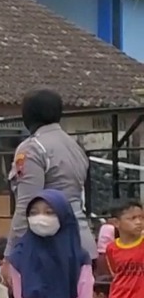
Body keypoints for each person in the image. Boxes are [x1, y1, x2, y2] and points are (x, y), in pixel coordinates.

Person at [10, 89, 94, 258]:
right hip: (82, 240)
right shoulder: (74, 146)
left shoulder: (32, 148)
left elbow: (26, 204)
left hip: (50, 249)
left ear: (28, 115)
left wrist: (11, 252)